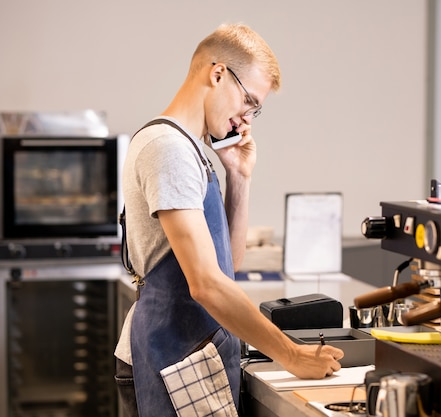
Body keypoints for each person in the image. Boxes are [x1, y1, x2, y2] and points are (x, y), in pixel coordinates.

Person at [114, 23, 344, 417]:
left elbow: (227, 267)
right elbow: (206, 285)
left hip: (190, 350)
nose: (246, 118)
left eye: (255, 110)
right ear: (218, 73)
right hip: (172, 355)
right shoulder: (168, 149)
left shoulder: (192, 149)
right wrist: (291, 355)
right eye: (248, 100)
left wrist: (239, 176)